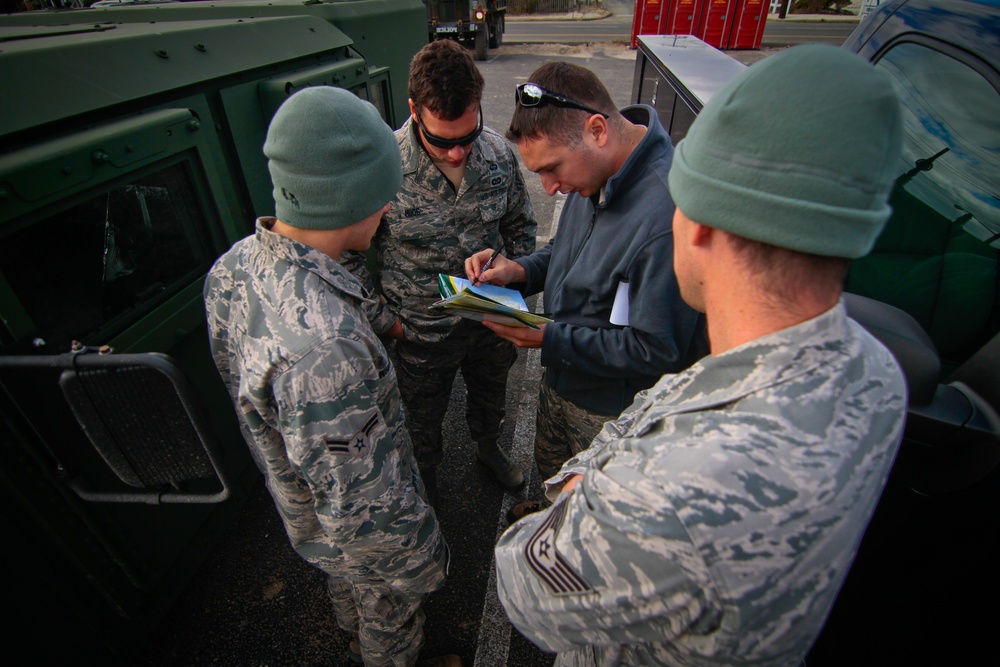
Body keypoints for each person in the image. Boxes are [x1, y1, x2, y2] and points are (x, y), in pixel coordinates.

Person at [493, 45, 907, 666]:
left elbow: (522, 584)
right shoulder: (876, 371)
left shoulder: (666, 492)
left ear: (701, 226)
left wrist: (588, 486)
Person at [204, 87, 458, 667]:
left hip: (303, 505)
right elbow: (364, 509)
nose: (389, 209)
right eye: (382, 195)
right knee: (390, 616)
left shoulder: (235, 265)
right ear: (348, 198)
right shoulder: (327, 350)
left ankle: (348, 627)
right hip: (358, 529)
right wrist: (425, 562)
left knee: (343, 582)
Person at [465, 62, 706, 515]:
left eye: (553, 168)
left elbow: (659, 348)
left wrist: (549, 338)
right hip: (561, 379)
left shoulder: (665, 216)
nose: (549, 188)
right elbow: (564, 251)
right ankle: (547, 511)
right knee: (553, 474)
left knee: (593, 511)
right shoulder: (597, 173)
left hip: (610, 412)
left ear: (597, 130)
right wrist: (517, 270)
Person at [344, 40, 536, 497]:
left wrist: (513, 272)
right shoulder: (381, 166)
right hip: (419, 328)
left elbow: (522, 227)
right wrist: (385, 321)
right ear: (414, 110)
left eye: (467, 137)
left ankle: (488, 447)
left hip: (490, 316)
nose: (457, 154)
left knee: (492, 392)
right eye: (443, 140)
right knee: (421, 414)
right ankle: (426, 474)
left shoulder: (497, 156)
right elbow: (347, 255)